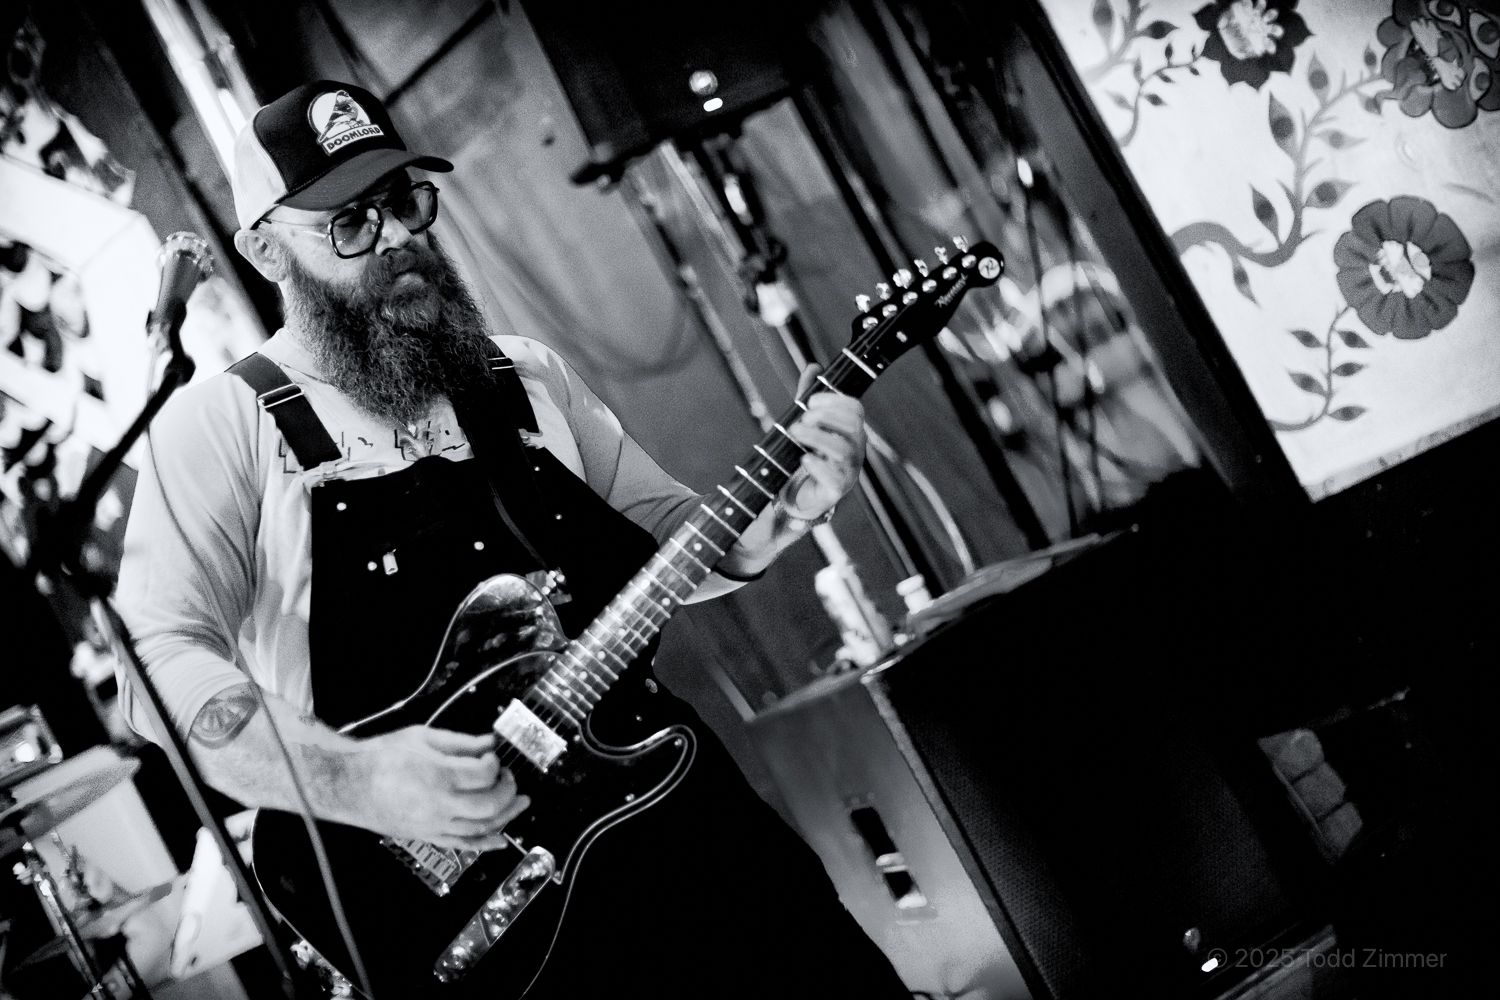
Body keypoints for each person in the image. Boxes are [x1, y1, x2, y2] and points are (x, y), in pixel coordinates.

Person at [116, 80, 909, 998]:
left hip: (674, 815)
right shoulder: (225, 426)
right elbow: (154, 663)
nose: (398, 237)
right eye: (351, 223)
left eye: (406, 202)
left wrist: (791, 507)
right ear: (265, 249)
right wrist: (356, 780)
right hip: (494, 924)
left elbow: (664, 542)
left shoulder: (525, 376)